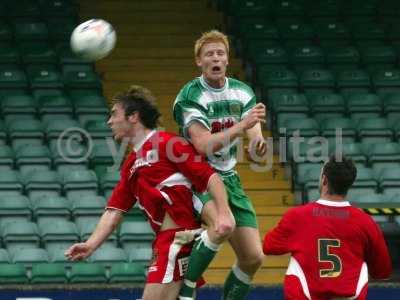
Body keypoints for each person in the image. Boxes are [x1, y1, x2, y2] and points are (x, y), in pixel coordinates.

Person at [65, 85, 235, 300]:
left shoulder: (168, 143)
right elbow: (113, 211)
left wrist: (223, 213)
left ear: (133, 116)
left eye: (114, 114)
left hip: (177, 240)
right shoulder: (130, 165)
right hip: (163, 242)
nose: (109, 121)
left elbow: (209, 177)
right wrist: (90, 244)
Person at [173, 30, 267, 300]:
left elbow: (254, 141)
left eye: (220, 53)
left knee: (253, 258)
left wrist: (257, 146)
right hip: (196, 175)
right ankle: (186, 289)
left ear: (227, 59)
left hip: (229, 177)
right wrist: (242, 126)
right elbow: (202, 145)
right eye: (209, 54)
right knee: (222, 226)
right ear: (199, 61)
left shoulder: (242, 91)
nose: (216, 58)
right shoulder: (190, 95)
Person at [263, 155, 392, 300]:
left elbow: (268, 246)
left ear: (324, 180)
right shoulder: (366, 221)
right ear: (349, 184)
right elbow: (382, 271)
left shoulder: (297, 216)